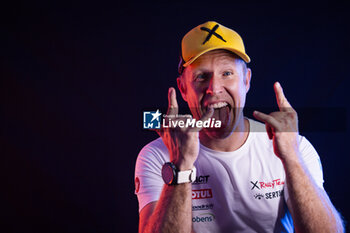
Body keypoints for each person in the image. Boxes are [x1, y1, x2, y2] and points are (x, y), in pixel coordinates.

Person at [134, 21, 344, 232]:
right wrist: (181, 165)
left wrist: (292, 158)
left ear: (246, 80)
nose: (214, 88)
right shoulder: (157, 155)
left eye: (227, 73)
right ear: (183, 88)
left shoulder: (294, 146)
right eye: (201, 77)